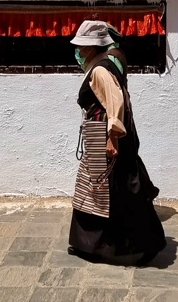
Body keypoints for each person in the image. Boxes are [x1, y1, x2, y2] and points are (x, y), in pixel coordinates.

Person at [68, 19, 165, 264]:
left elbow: (116, 102)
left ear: (91, 48)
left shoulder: (100, 70)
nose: (79, 52)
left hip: (106, 136)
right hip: (102, 134)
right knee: (102, 189)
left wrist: (112, 139)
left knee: (113, 190)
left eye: (82, 47)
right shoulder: (113, 59)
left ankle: (143, 243)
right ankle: (93, 245)